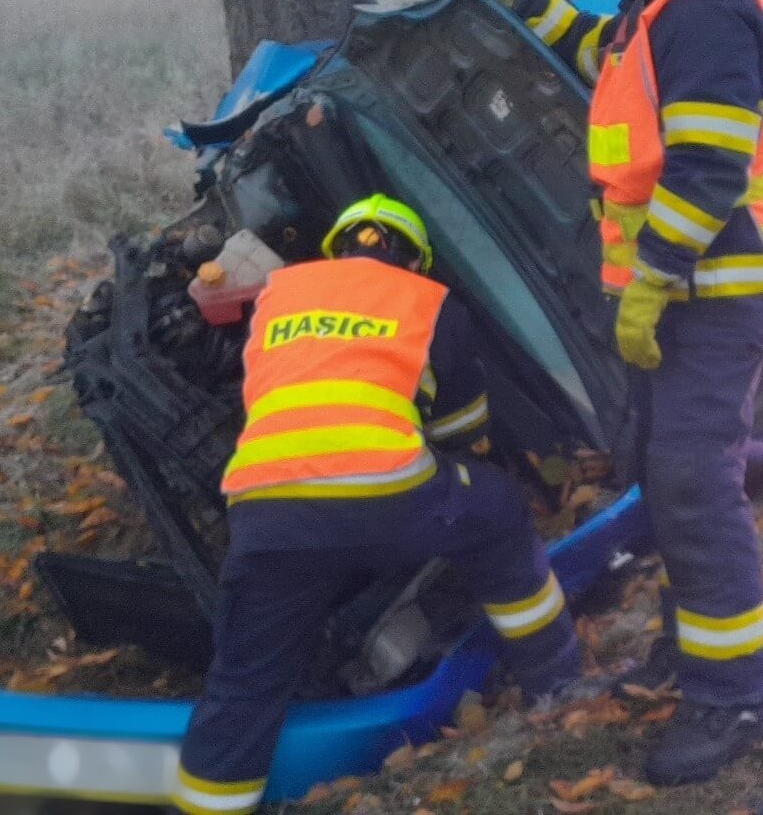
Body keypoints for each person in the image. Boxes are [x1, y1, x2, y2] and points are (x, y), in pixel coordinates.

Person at [436, 0, 763, 785]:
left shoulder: (710, 4)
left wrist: (654, 283)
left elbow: (709, 167)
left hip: (714, 292)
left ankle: (735, 699)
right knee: (667, 474)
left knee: (691, 480)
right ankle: (697, 646)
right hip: (681, 296)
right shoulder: (658, 3)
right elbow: (604, 55)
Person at [171, 194, 582, 815]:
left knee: (243, 683)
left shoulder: (278, 297)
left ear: (336, 247)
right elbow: (461, 428)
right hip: (388, 495)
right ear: (414, 260)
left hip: (265, 507)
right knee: (494, 505)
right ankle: (557, 680)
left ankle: (207, 806)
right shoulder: (425, 300)